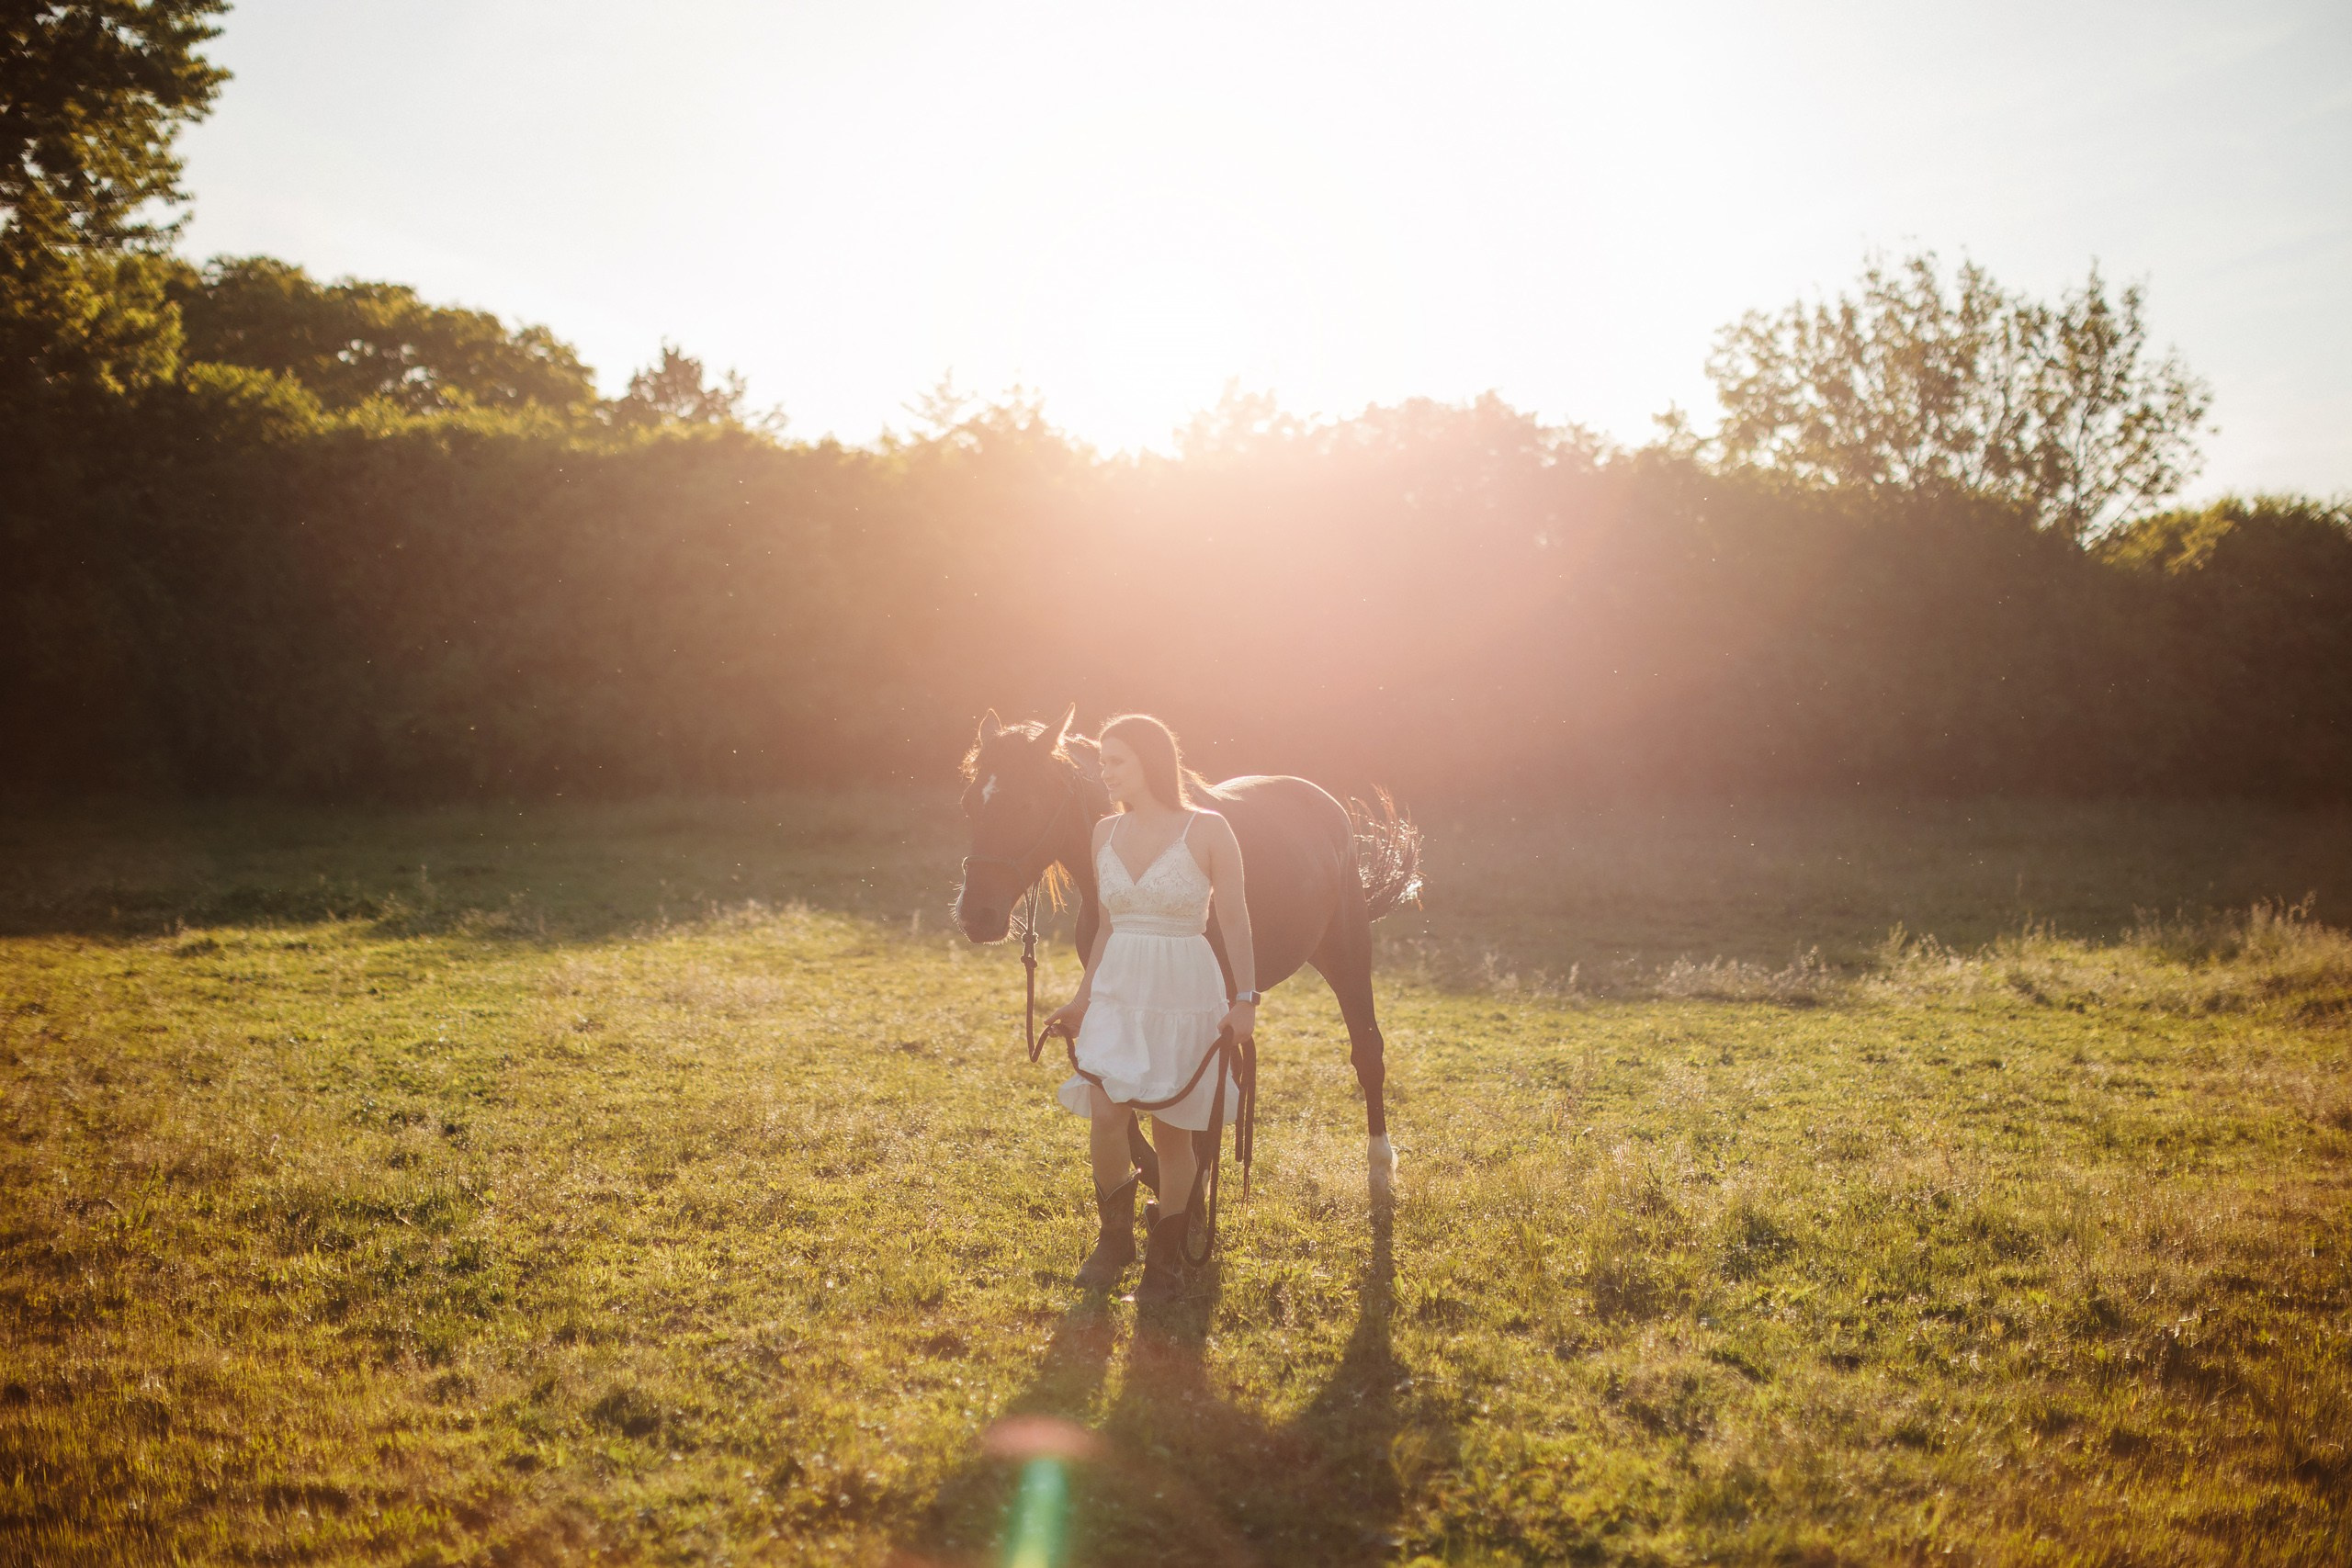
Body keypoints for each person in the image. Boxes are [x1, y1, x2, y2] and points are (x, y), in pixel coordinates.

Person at [1042, 714, 1257, 1303]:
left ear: (1151, 763)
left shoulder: (1208, 829)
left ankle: (1165, 1258)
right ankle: (1115, 1240)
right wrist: (1083, 1000)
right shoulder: (1104, 832)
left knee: (1172, 1134)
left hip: (1183, 989)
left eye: (1116, 762)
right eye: (1103, 762)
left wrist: (1245, 999)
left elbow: (1234, 919)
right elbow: (1108, 924)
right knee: (1108, 1116)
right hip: (1118, 989)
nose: (1104, 773)